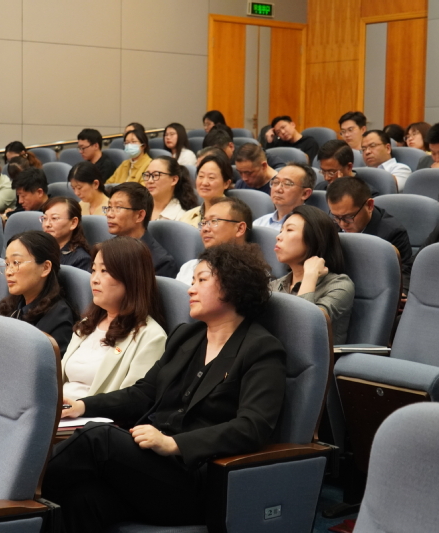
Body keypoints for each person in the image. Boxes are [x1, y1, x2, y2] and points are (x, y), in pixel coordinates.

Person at [44, 242, 286, 533]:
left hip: (197, 477)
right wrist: (84, 406)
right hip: (155, 466)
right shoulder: (187, 336)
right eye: (192, 281)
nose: (190, 289)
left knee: (99, 438)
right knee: (82, 499)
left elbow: (252, 426)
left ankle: (16, 494)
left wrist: (175, 444)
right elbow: (145, 392)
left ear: (233, 287)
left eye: (201, 280)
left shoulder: (261, 349)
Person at [60, 236, 167, 399]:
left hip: (92, 413)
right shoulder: (88, 323)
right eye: (93, 270)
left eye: (104, 271)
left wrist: (80, 408)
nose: (94, 280)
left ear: (130, 277)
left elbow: (132, 401)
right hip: (59, 407)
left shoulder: (151, 337)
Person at [272, 205, 354, 344]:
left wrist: (310, 276)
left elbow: (302, 328)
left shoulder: (340, 286)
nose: (278, 236)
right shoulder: (275, 285)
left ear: (313, 239)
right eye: (281, 230)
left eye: (289, 230)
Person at [0, 231, 75, 355]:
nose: (8, 272)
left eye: (16, 263)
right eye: (7, 264)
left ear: (45, 268)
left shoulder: (58, 317)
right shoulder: (11, 305)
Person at [326, 177, 412, 288]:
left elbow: (403, 275)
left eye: (348, 217)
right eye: (336, 217)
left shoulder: (393, 232)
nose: (342, 224)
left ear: (369, 205)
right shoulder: (330, 226)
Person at [105, 182, 178, 278]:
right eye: (109, 207)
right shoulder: (106, 250)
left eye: (118, 207)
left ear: (140, 215)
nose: (109, 214)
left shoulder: (160, 263)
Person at [176, 196, 252, 285]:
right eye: (203, 222)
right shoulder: (189, 267)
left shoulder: (251, 274)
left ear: (240, 229)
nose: (205, 229)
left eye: (214, 221)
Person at [254, 163, 315, 230]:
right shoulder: (259, 223)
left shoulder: (309, 227)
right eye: (276, 182)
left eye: (287, 184)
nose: (277, 189)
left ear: (305, 194)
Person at [180, 153, 233, 227]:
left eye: (211, 177)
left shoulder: (232, 217)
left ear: (226, 183)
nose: (204, 183)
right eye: (201, 176)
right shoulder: (187, 216)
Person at [41, 197, 91, 271]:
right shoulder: (37, 249)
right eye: (45, 218)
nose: (47, 224)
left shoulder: (81, 259)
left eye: (54, 218)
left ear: (73, 223)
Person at [145, 156, 197, 221]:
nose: (149, 181)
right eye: (147, 175)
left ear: (174, 180)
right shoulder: (138, 206)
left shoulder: (183, 216)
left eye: (156, 175)